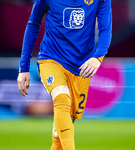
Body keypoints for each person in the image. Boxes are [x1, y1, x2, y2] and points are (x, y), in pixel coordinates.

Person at [17, 0, 112, 149]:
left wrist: (97, 57)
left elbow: (105, 28)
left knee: (59, 133)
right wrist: (24, 68)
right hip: (52, 59)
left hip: (81, 68)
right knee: (61, 97)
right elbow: (33, 23)